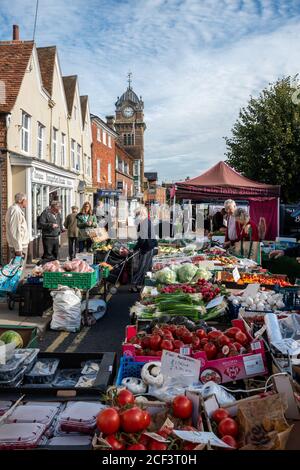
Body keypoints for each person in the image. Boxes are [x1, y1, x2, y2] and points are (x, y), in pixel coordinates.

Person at [130, 206, 157, 293]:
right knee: (145, 268)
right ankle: (140, 285)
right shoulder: (147, 221)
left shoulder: (143, 223)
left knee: (142, 267)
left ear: (140, 214)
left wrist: (135, 248)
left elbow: (142, 239)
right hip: (150, 247)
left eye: (136, 214)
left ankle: (135, 284)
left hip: (146, 248)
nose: (135, 216)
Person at [5, 192, 29, 261]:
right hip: (19, 246)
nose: (27, 202)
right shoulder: (15, 210)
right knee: (18, 269)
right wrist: (18, 249)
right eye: (26, 200)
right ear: (20, 201)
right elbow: (15, 230)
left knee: (18, 269)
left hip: (19, 245)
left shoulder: (15, 209)